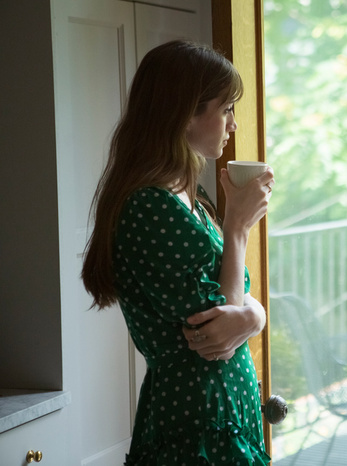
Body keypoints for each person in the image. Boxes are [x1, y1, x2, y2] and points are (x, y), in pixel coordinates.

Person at [81, 40, 275, 465]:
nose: (233, 125)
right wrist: (238, 227)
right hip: (198, 421)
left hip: (220, 411)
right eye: (225, 109)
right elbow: (217, 329)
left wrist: (255, 316)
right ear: (187, 113)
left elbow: (235, 309)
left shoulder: (188, 195)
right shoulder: (149, 205)